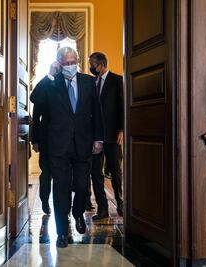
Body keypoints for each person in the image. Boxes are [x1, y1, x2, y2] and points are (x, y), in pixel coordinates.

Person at [31, 47, 103, 248]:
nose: (70, 65)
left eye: (74, 61)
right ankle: (62, 232)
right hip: (58, 145)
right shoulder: (52, 83)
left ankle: (78, 212)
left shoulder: (89, 82)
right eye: (66, 62)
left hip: (83, 143)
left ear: (78, 61)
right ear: (59, 63)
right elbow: (34, 98)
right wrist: (49, 75)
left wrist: (98, 139)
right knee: (61, 188)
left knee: (81, 185)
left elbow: (97, 112)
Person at [88, 52, 124, 220]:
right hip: (95, 136)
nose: (91, 68)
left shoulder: (117, 80)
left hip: (112, 135)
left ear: (101, 64)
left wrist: (122, 130)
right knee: (95, 173)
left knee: (115, 171)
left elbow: (122, 105)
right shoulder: (91, 83)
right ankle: (102, 209)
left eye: (92, 65)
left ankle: (120, 203)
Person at [30, 89, 52, 215]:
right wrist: (35, 140)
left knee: (65, 175)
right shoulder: (44, 88)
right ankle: (44, 201)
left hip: (65, 139)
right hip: (46, 139)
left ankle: (65, 206)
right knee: (46, 173)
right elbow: (36, 117)